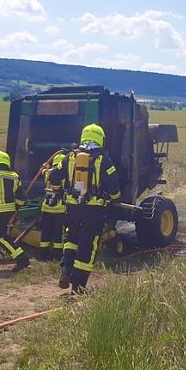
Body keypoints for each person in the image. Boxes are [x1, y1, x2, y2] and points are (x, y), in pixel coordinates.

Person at [50, 124, 120, 293]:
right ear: (100, 139)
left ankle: (66, 272)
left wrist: (59, 189)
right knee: (88, 245)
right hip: (93, 211)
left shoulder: (70, 157)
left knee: (71, 239)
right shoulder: (103, 160)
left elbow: (53, 176)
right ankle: (78, 287)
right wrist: (114, 199)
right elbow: (114, 188)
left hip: (72, 207)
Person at [39, 151, 67, 260]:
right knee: (58, 236)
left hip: (46, 209)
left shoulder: (47, 173)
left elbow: (42, 170)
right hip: (59, 210)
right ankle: (57, 257)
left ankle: (43, 256)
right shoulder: (64, 175)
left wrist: (46, 164)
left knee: (45, 234)